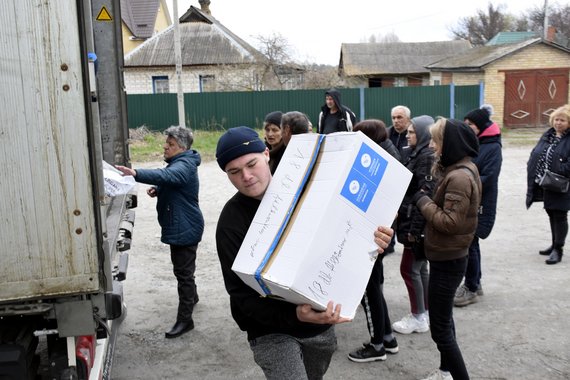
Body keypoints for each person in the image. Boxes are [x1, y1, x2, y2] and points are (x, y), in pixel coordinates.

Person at [214, 126, 394, 379]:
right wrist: (295, 314)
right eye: (234, 172)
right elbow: (241, 296)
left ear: (266, 154)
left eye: (251, 164)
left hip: (320, 324)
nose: (247, 176)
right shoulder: (230, 223)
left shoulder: (311, 189)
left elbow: (345, 247)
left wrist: (376, 243)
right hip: (269, 331)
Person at [116, 126, 204, 339]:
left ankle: (185, 320)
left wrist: (135, 173)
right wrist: (159, 188)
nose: (165, 146)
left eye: (171, 144)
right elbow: (169, 180)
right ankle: (193, 298)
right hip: (183, 224)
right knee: (184, 271)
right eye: (167, 142)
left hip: (185, 227)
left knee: (183, 274)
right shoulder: (181, 162)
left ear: (181, 148)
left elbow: (171, 175)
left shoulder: (184, 164)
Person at [413, 118, 481, 380]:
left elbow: (450, 222)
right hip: (446, 256)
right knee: (444, 320)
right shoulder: (456, 169)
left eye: (436, 141)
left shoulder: (460, 177)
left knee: (439, 329)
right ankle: (446, 371)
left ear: (449, 143)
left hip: (448, 259)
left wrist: (423, 201)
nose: (431, 145)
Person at [346, 119, 399, 363]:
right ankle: (387, 338)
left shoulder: (380, 162)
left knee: (369, 292)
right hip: (380, 237)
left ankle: (377, 345)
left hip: (372, 238)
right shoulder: (389, 154)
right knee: (375, 289)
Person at [454, 107, 502, 306]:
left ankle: (471, 288)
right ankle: (476, 282)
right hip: (472, 198)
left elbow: (489, 177)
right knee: (472, 243)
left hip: (481, 202)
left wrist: (463, 182)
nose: (467, 127)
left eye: (471, 124)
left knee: (470, 243)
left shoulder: (492, 148)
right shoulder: (474, 143)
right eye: (465, 124)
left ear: (481, 127)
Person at [392, 115, 435, 335]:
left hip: (414, 224)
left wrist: (415, 231)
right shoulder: (418, 153)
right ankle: (424, 311)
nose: (407, 135)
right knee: (420, 269)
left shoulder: (426, 157)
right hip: (413, 221)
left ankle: (418, 316)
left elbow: (424, 196)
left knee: (409, 269)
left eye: (412, 132)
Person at [526, 104, 570, 265]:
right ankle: (554, 243)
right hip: (546, 182)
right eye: (556, 119)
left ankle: (558, 249)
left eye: (562, 120)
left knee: (559, 215)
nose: (558, 123)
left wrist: (558, 170)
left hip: (561, 183)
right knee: (551, 212)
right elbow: (538, 152)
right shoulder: (549, 135)